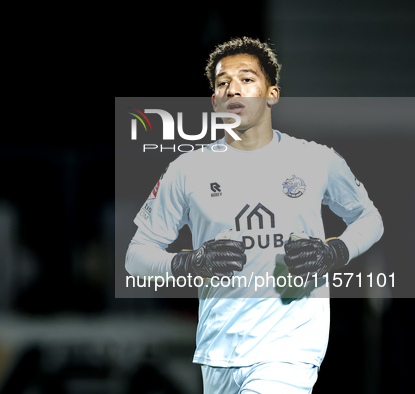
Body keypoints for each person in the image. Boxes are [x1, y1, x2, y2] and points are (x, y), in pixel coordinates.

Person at [125, 36, 383, 393]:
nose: (234, 88)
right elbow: (136, 258)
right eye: (223, 83)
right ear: (215, 101)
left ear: (272, 94)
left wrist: (332, 252)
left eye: (247, 78)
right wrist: (192, 263)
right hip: (218, 352)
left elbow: (370, 219)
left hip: (288, 350)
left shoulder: (316, 160)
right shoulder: (186, 170)